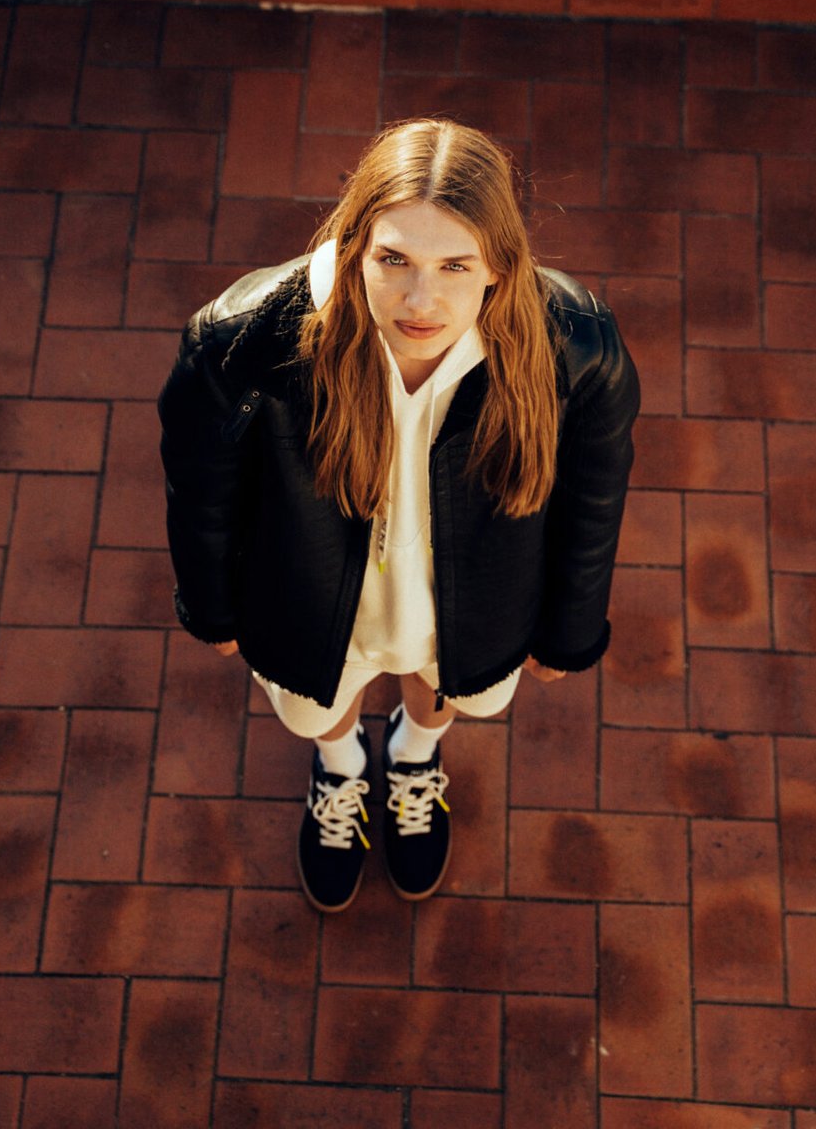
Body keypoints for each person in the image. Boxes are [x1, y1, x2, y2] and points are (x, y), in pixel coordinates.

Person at [157, 115, 639, 912]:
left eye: (455, 265)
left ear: (498, 265)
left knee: (438, 675)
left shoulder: (578, 350)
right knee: (319, 700)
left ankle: (415, 755)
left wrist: (570, 629)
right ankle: (341, 767)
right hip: (312, 586)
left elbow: (595, 501)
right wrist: (211, 607)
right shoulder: (240, 343)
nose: (422, 300)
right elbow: (201, 489)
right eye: (394, 260)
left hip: (470, 588)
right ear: (355, 248)